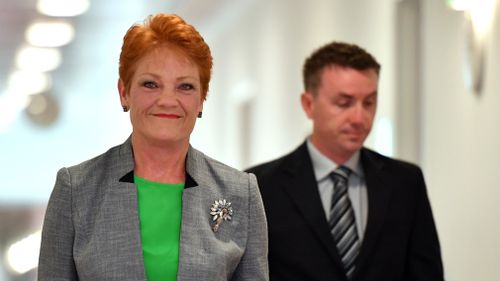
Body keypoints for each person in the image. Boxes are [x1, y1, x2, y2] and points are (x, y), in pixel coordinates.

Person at [38, 13, 268, 281]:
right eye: (151, 84)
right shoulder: (76, 190)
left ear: (202, 99)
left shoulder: (241, 192)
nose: (168, 100)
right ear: (124, 92)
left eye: (185, 86)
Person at [246, 41, 444, 281]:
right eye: (344, 103)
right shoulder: (259, 187)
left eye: (369, 103)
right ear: (309, 105)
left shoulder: (405, 182)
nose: (360, 118)